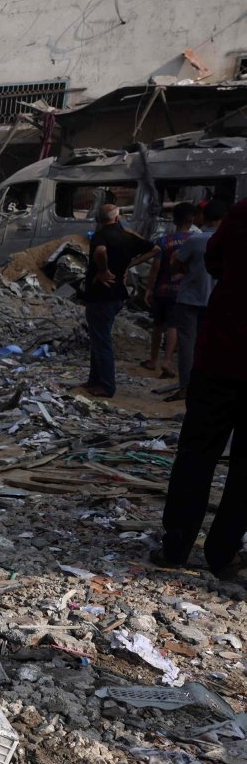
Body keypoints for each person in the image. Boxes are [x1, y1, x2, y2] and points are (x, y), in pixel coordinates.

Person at [158, 196, 247, 580]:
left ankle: (176, 544)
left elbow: (215, 259)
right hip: (223, 356)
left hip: (219, 357)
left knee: (196, 453)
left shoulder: (242, 213)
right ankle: (223, 551)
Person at [78, 203, 155, 398]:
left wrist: (103, 270)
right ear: (117, 218)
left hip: (101, 295)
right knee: (98, 338)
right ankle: (95, 380)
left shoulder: (100, 236)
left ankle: (106, 385)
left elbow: (100, 251)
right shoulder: (127, 236)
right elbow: (155, 249)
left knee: (101, 340)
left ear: (98, 220)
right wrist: (130, 265)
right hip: (118, 295)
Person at [165, 199, 228, 401]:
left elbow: (177, 265)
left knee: (187, 344)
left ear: (204, 217)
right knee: (211, 344)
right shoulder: (229, 240)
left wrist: (178, 263)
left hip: (189, 298)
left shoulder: (195, 240)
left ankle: (186, 387)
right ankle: (208, 387)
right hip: (215, 301)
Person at [143, 203, 195, 377]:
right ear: (191, 220)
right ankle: (167, 361)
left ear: (174, 220)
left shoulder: (164, 241)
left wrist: (149, 288)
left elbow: (155, 267)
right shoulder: (194, 240)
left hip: (161, 290)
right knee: (173, 326)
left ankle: (152, 360)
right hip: (180, 291)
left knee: (157, 325)